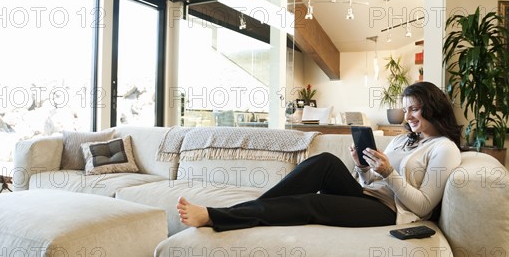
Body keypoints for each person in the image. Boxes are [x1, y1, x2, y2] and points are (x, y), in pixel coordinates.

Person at [177, 82, 462, 231]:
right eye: (406, 109)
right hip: (368, 194)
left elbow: (423, 207)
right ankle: (242, 212)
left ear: (433, 108)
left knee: (310, 203)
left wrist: (389, 173)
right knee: (324, 161)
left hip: (391, 213)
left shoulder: (444, 148)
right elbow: (372, 180)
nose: (408, 116)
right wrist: (364, 166)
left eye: (414, 109)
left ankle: (219, 217)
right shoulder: (403, 139)